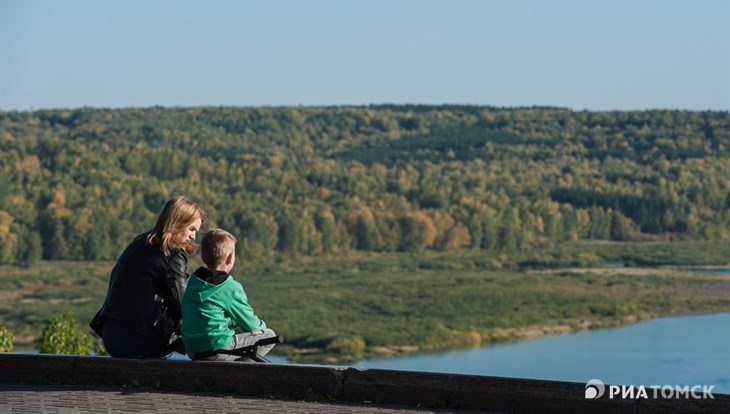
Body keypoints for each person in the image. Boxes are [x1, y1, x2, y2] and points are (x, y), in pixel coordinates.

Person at [90, 195, 205, 358]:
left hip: (111, 337)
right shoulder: (171, 253)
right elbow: (183, 306)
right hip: (140, 340)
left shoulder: (137, 244)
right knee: (205, 335)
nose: (193, 236)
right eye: (192, 229)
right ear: (178, 222)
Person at [182, 228, 277, 361]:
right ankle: (238, 374)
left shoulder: (193, 281)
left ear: (203, 256)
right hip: (218, 347)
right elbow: (251, 324)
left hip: (192, 350)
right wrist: (259, 328)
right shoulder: (230, 287)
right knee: (269, 336)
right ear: (231, 257)